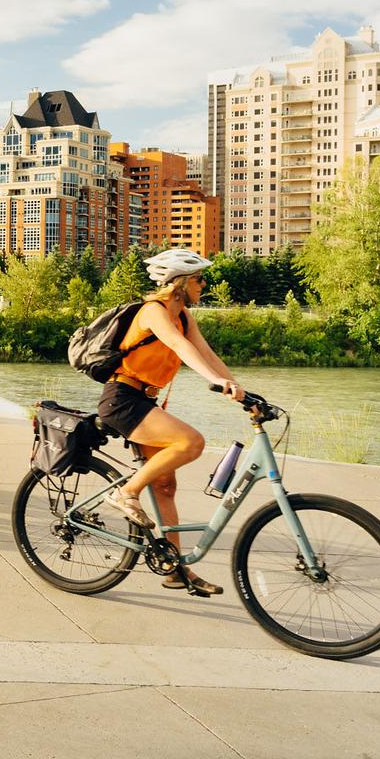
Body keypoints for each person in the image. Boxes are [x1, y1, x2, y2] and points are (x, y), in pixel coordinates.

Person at [96, 247, 245, 597]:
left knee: (165, 486)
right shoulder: (154, 312)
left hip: (143, 401)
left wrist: (242, 391)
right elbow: (179, 347)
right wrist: (216, 381)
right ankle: (127, 492)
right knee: (190, 442)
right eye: (198, 278)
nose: (204, 283)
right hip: (122, 399)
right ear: (179, 283)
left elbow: (207, 353)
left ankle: (175, 567)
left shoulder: (184, 316)